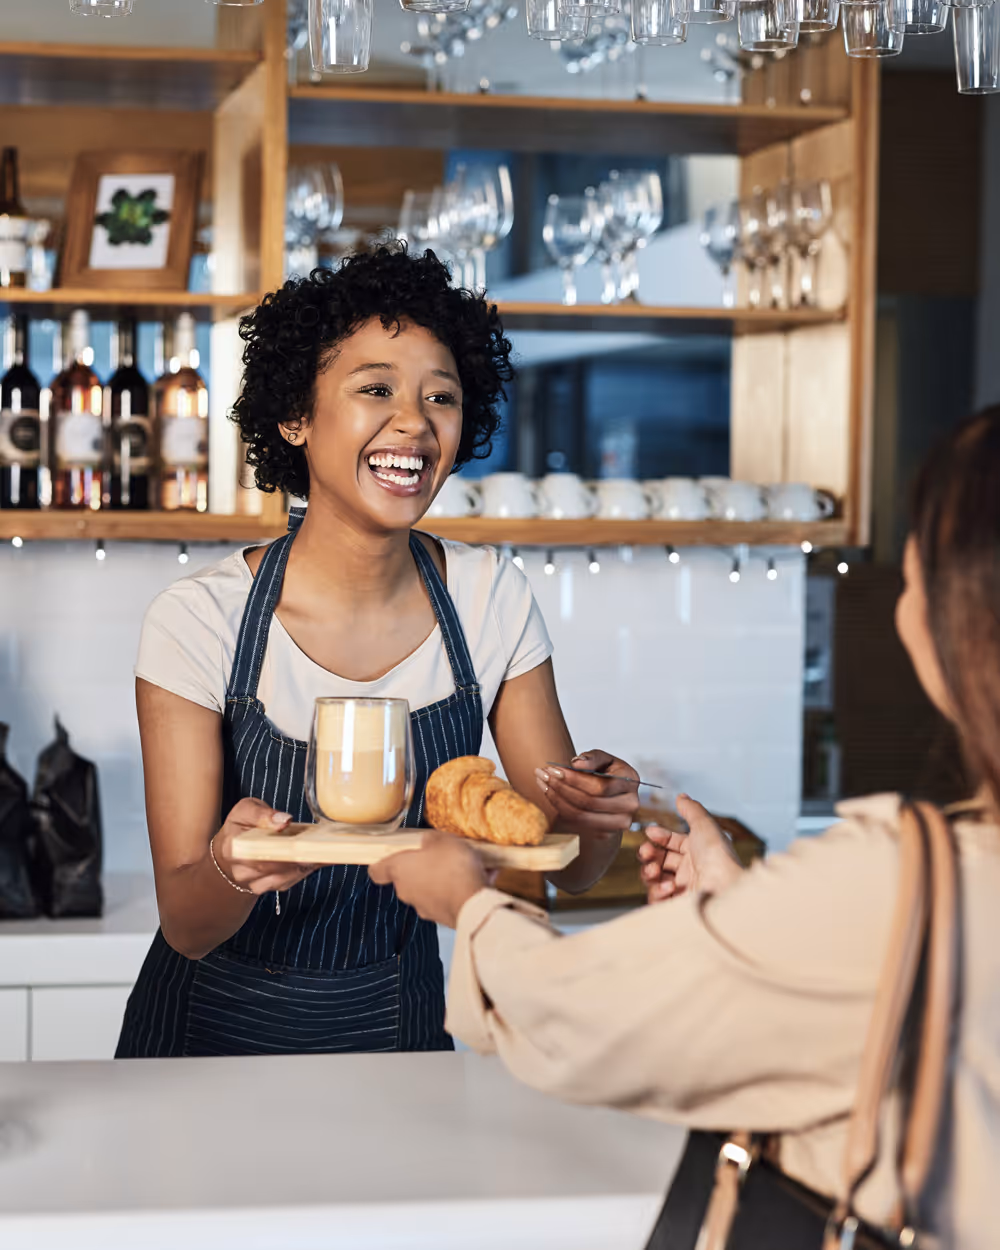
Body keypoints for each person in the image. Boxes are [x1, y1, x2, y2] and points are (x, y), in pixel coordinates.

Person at [370, 408, 1000, 1246]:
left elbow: (588, 1019)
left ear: (961, 615)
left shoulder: (902, 877)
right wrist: (745, 915)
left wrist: (472, 908)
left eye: (921, 556)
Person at [116, 245, 639, 1059]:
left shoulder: (487, 598)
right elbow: (186, 923)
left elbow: (562, 866)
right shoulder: (200, 620)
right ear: (294, 414)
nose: (414, 423)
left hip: (399, 1035)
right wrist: (231, 867)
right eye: (375, 390)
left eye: (442, 396)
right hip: (206, 1048)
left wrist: (598, 816)